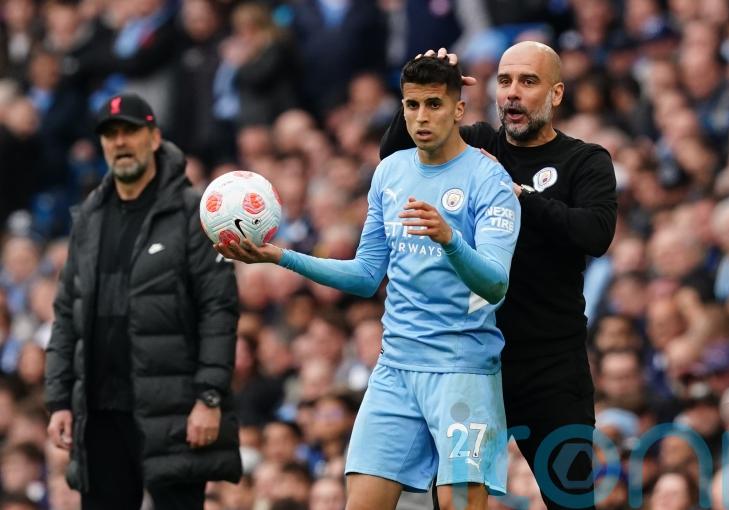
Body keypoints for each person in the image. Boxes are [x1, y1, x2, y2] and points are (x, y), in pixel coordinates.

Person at [216, 56, 521, 509]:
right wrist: (278, 256)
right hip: (395, 368)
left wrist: (450, 240)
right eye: (412, 105)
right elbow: (364, 275)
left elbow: (496, 285)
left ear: (459, 109)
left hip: (462, 371)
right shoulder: (390, 172)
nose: (421, 117)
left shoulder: (488, 179)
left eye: (434, 105)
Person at [380, 42, 618, 509]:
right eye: (505, 80)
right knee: (453, 502)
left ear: (556, 94)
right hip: (471, 364)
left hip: (551, 367)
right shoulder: (478, 144)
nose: (512, 93)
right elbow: (396, 153)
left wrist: (516, 194)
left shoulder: (584, 160)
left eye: (528, 82)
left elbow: (595, 232)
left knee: (572, 501)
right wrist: (427, 87)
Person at [44, 93, 242, 510]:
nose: (120, 142)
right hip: (98, 413)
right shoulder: (89, 218)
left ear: (154, 137)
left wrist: (210, 398)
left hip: (172, 411)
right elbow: (66, 315)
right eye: (110, 134)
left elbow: (218, 309)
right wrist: (60, 400)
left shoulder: (194, 211)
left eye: (130, 131)